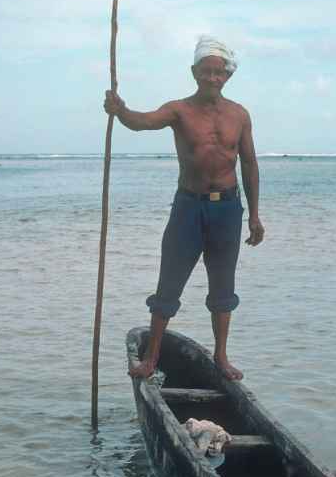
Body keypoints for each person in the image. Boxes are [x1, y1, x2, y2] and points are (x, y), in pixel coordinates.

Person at [104, 36, 264, 380]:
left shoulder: (239, 114)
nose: (212, 78)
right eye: (205, 72)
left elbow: (249, 164)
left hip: (228, 209)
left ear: (227, 76)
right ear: (194, 73)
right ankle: (151, 358)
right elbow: (142, 121)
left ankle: (221, 357)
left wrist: (254, 215)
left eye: (218, 73)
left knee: (223, 286)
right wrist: (120, 111)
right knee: (169, 283)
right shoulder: (179, 110)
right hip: (188, 208)